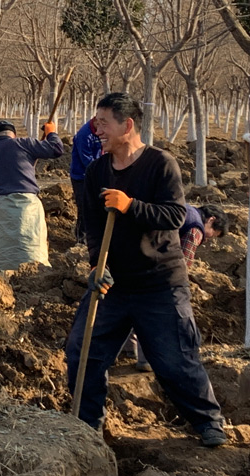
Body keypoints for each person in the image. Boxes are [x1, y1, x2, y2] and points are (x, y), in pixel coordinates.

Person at [65, 93, 227, 447]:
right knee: (83, 350)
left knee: (174, 360)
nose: (97, 131)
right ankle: (87, 424)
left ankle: (208, 421)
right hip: (114, 285)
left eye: (104, 123)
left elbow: (173, 215)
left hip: (160, 284)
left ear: (128, 125)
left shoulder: (160, 164)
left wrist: (130, 205)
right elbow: (93, 223)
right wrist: (96, 264)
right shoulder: (97, 171)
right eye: (96, 124)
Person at [132, 203, 230, 371]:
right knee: (154, 314)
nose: (209, 238)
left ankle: (129, 349)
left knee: (131, 304)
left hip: (137, 252)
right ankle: (146, 359)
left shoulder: (186, 210)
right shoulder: (195, 230)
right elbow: (182, 265)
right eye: (213, 233)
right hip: (156, 268)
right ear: (211, 220)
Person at [0, 120, 64, 285]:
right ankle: (39, 288)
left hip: (1, 207)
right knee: (33, 253)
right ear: (14, 134)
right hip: (27, 207)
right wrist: (51, 132)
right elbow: (56, 149)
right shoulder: (24, 143)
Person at [70, 117, 102, 243]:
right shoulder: (84, 135)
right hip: (81, 176)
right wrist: (102, 170)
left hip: (96, 174)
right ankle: (81, 239)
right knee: (84, 207)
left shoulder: (101, 132)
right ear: (96, 121)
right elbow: (86, 160)